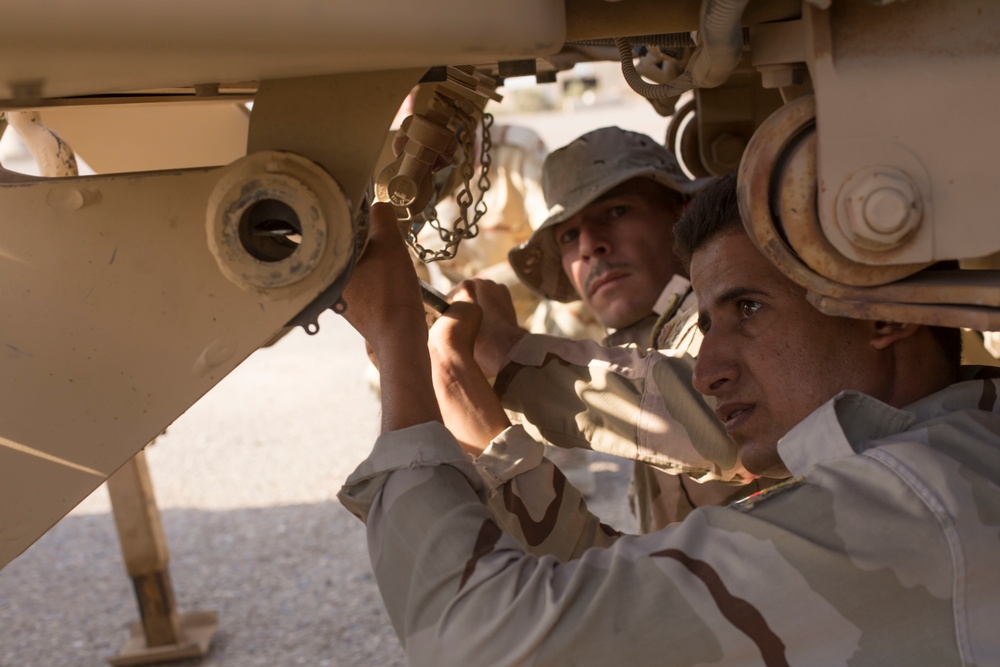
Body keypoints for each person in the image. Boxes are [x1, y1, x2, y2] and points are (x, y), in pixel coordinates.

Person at [337, 172, 1000, 665]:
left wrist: (399, 345)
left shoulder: (919, 502)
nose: (709, 369)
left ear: (884, 313)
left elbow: (484, 641)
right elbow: (642, 597)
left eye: (748, 310)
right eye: (709, 323)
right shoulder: (945, 457)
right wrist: (474, 413)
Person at [464, 126, 764, 530]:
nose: (591, 245)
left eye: (617, 211)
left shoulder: (729, 311)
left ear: (682, 215)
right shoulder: (648, 340)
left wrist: (507, 352)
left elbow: (731, 424)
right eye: (570, 235)